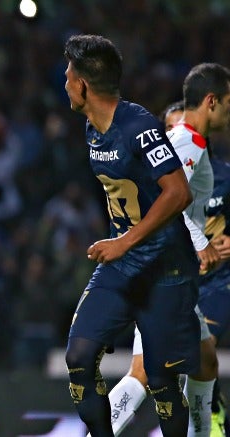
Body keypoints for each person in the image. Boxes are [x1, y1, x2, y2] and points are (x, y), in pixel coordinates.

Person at [62, 34, 201, 437]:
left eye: (69, 76)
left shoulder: (138, 126)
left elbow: (178, 191)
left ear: (84, 85)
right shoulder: (92, 128)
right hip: (123, 267)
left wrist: (123, 241)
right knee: (79, 357)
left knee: (160, 382)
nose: (65, 83)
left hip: (166, 270)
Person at [101, 64, 230, 437]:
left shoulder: (190, 144)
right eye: (228, 103)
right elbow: (162, 202)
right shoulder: (185, 143)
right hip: (161, 273)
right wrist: (201, 242)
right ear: (211, 102)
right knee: (142, 371)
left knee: (205, 362)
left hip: (170, 271)